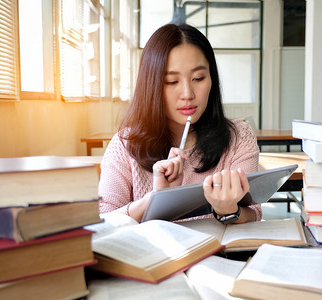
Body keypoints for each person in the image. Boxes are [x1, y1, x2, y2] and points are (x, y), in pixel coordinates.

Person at [98, 23, 261, 223]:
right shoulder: (124, 145)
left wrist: (228, 210)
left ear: (212, 78)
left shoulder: (238, 136)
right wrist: (156, 200)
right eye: (172, 82)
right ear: (152, 86)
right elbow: (103, 221)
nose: (187, 94)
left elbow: (254, 212)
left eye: (198, 78)